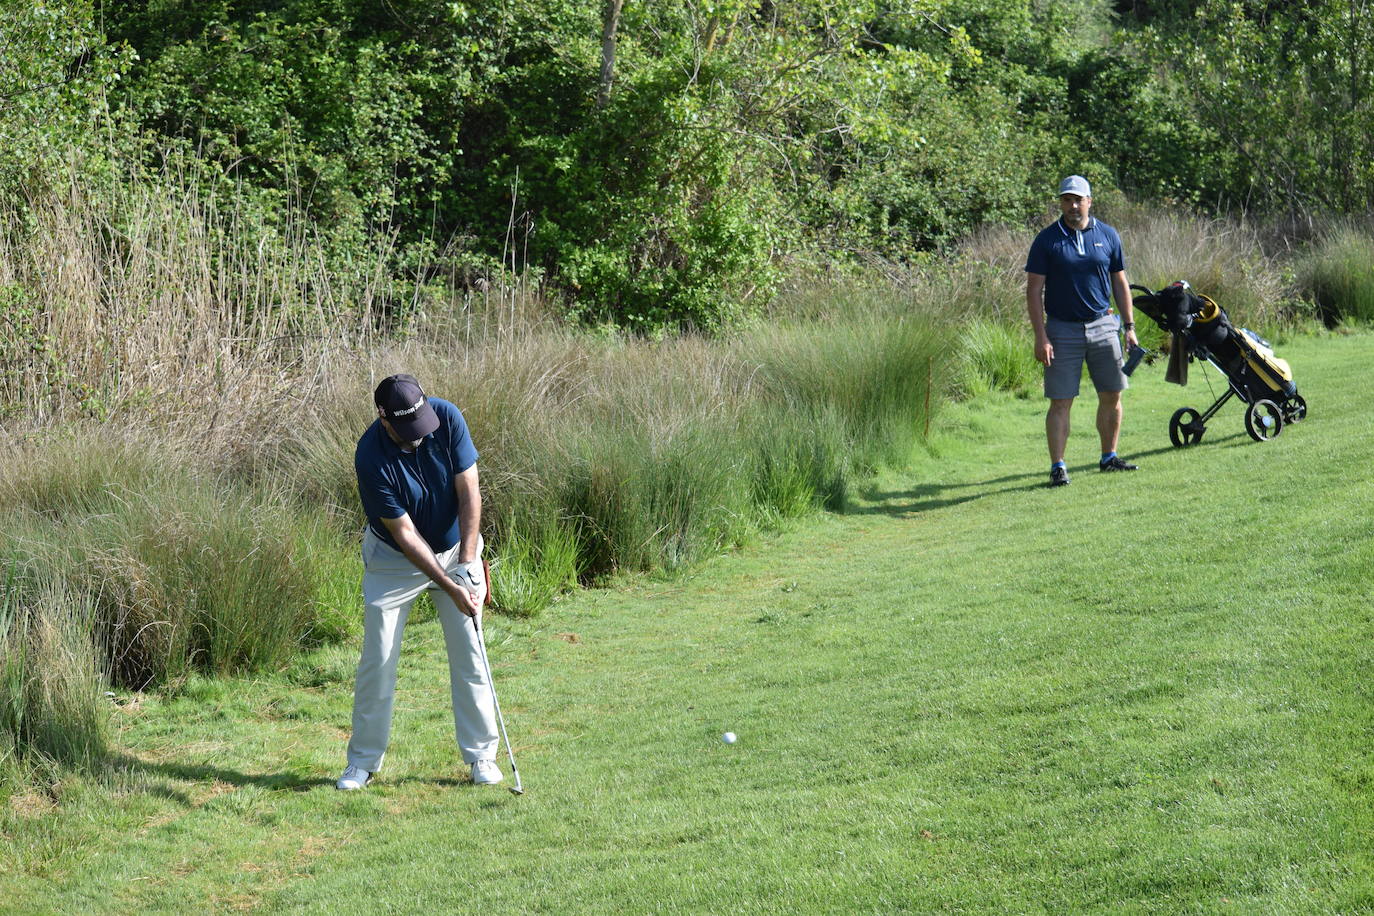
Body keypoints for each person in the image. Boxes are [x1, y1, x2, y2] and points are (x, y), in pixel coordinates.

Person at [337, 373, 504, 789]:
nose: (417, 437)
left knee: (471, 650)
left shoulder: (446, 418)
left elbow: (470, 492)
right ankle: (362, 762)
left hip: (454, 549)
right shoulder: (369, 455)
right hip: (395, 561)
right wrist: (449, 586)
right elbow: (405, 535)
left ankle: (482, 757)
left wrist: (465, 564)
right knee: (379, 658)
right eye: (407, 430)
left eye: (421, 425)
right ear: (384, 418)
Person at [1025, 175, 1140, 487]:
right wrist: (1041, 335)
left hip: (1104, 325)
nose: (1073, 205)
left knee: (1112, 394)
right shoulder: (1047, 239)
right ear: (1061, 203)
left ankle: (1108, 457)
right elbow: (1034, 290)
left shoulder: (1108, 235)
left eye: (1078, 199)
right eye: (1066, 199)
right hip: (1062, 330)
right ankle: (1058, 466)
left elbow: (1120, 282)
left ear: (1090, 201)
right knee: (1061, 400)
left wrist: (1129, 327)